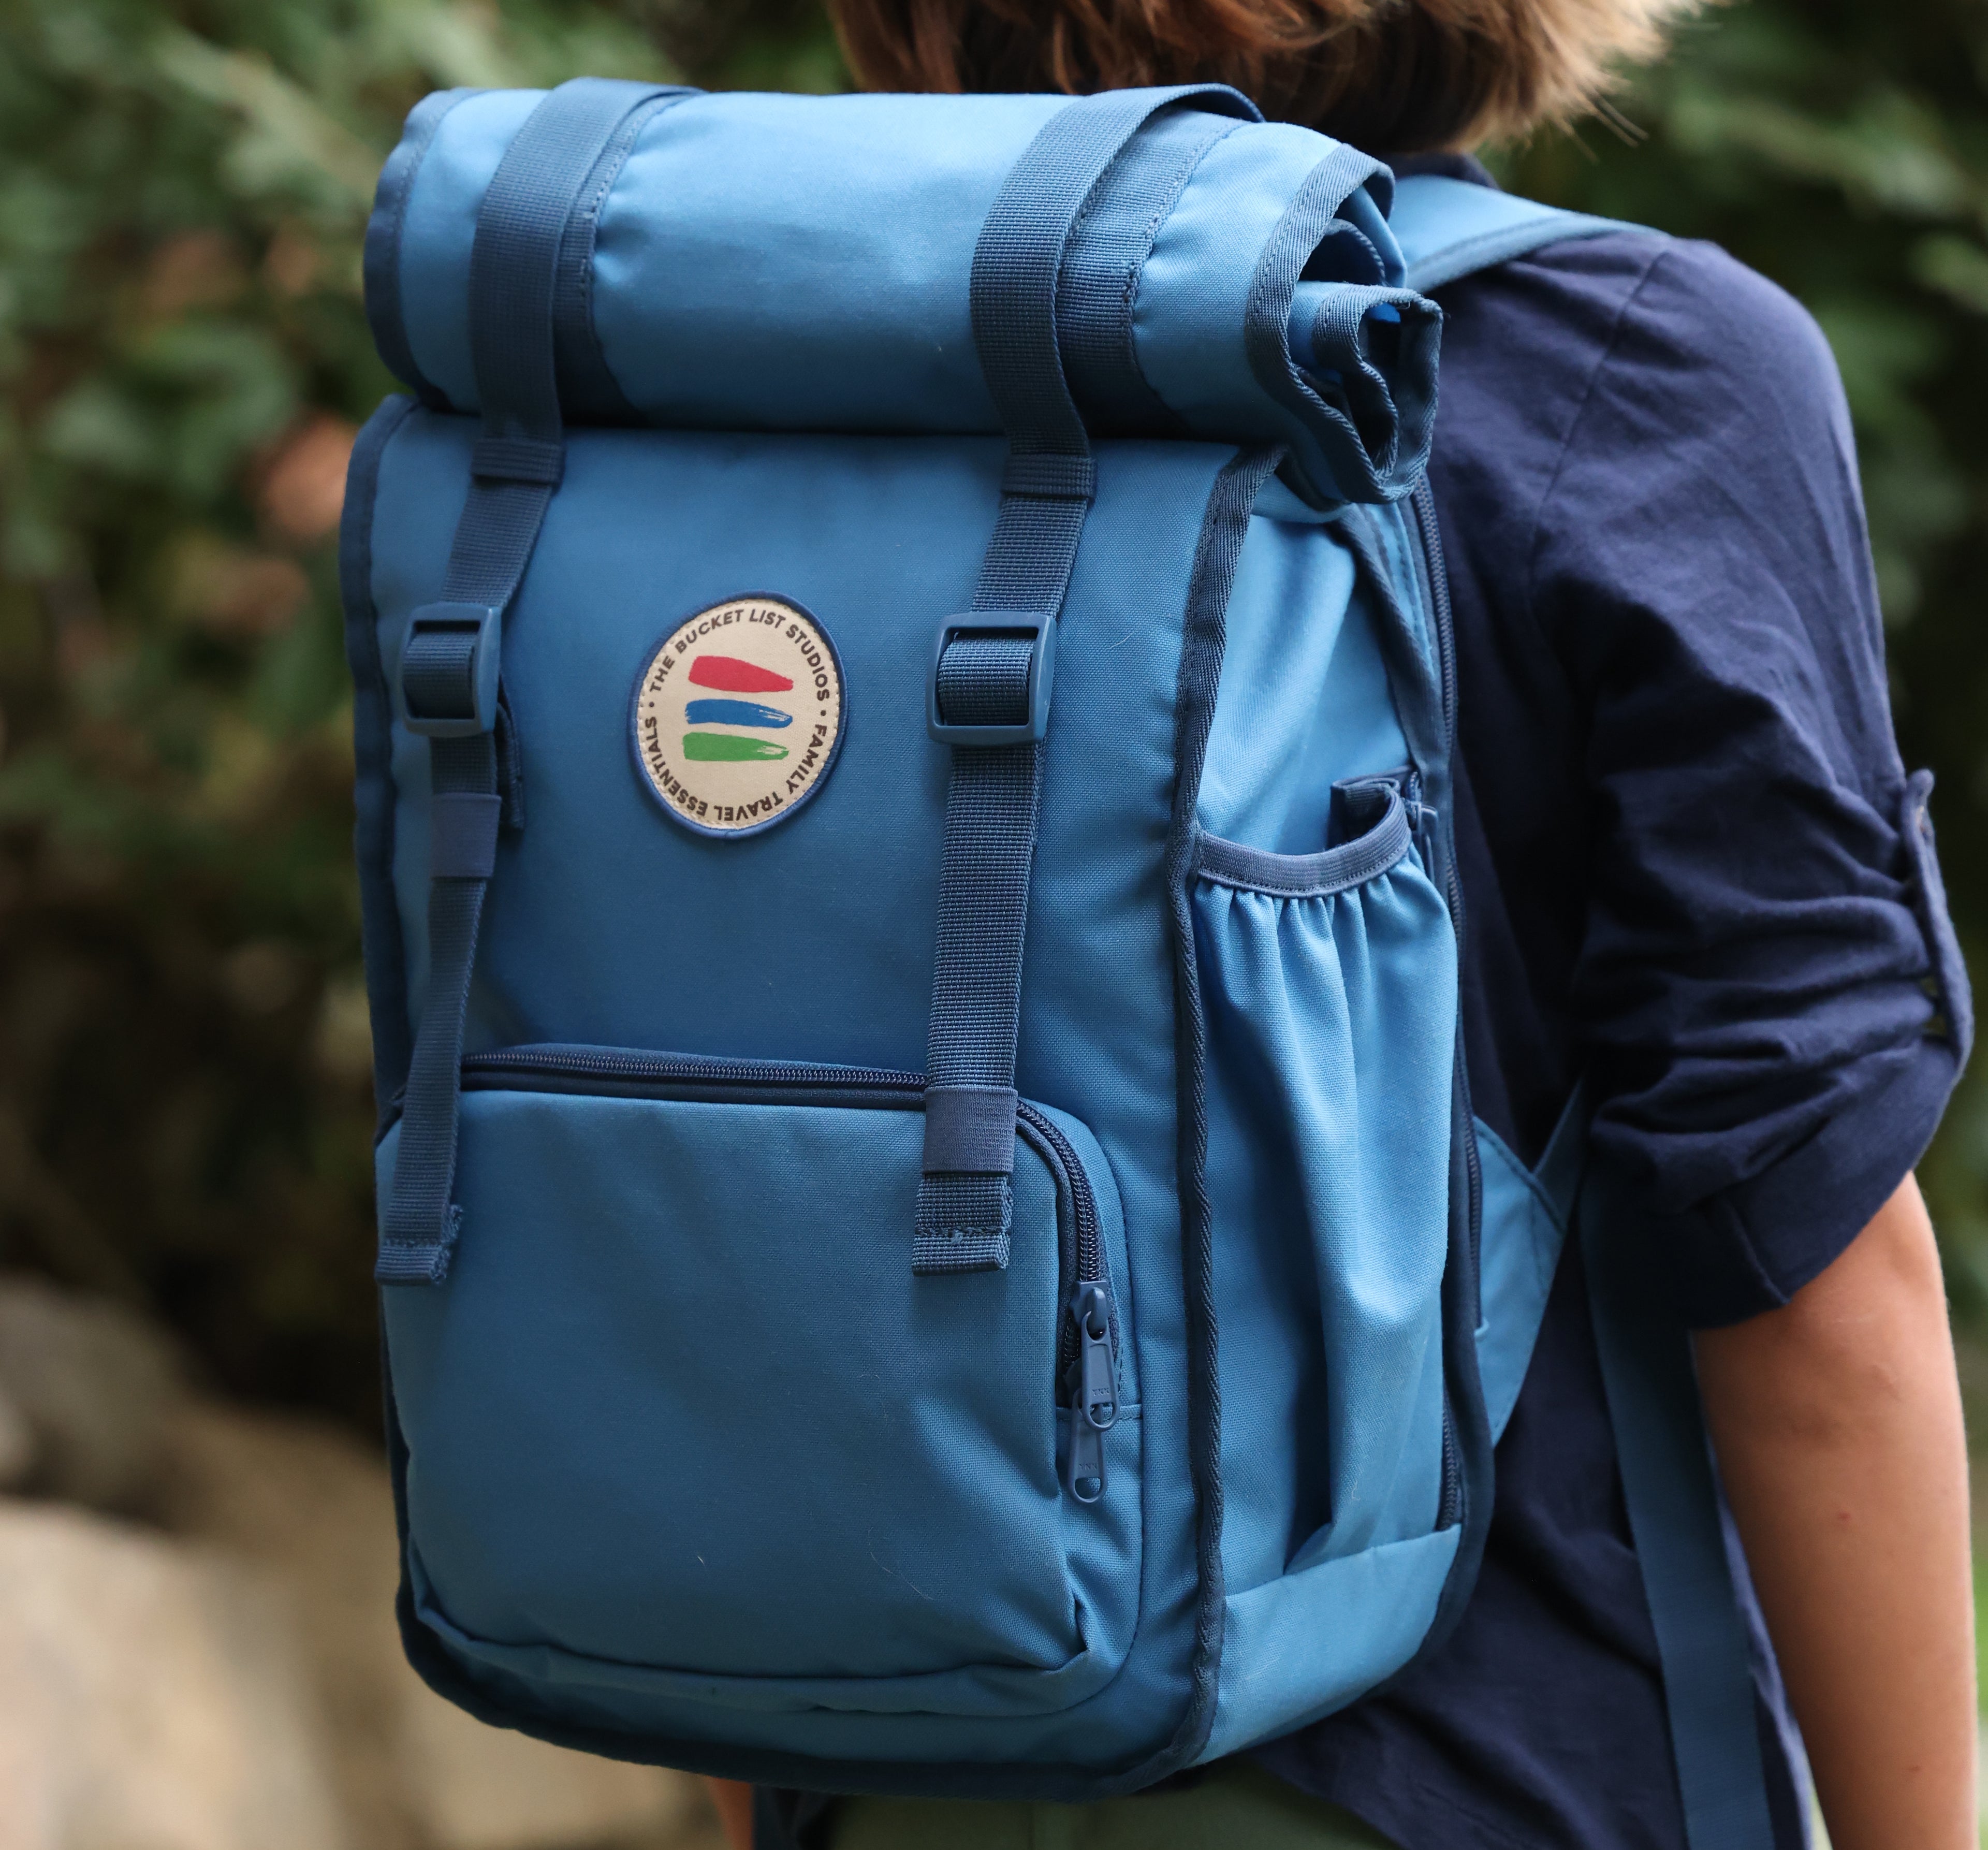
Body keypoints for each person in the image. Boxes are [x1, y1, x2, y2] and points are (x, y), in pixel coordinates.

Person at [707, 3, 1979, 1845]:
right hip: (1461, 1771)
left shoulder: (778, 370)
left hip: (891, 1761)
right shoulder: (1618, 367)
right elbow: (1810, 1262)